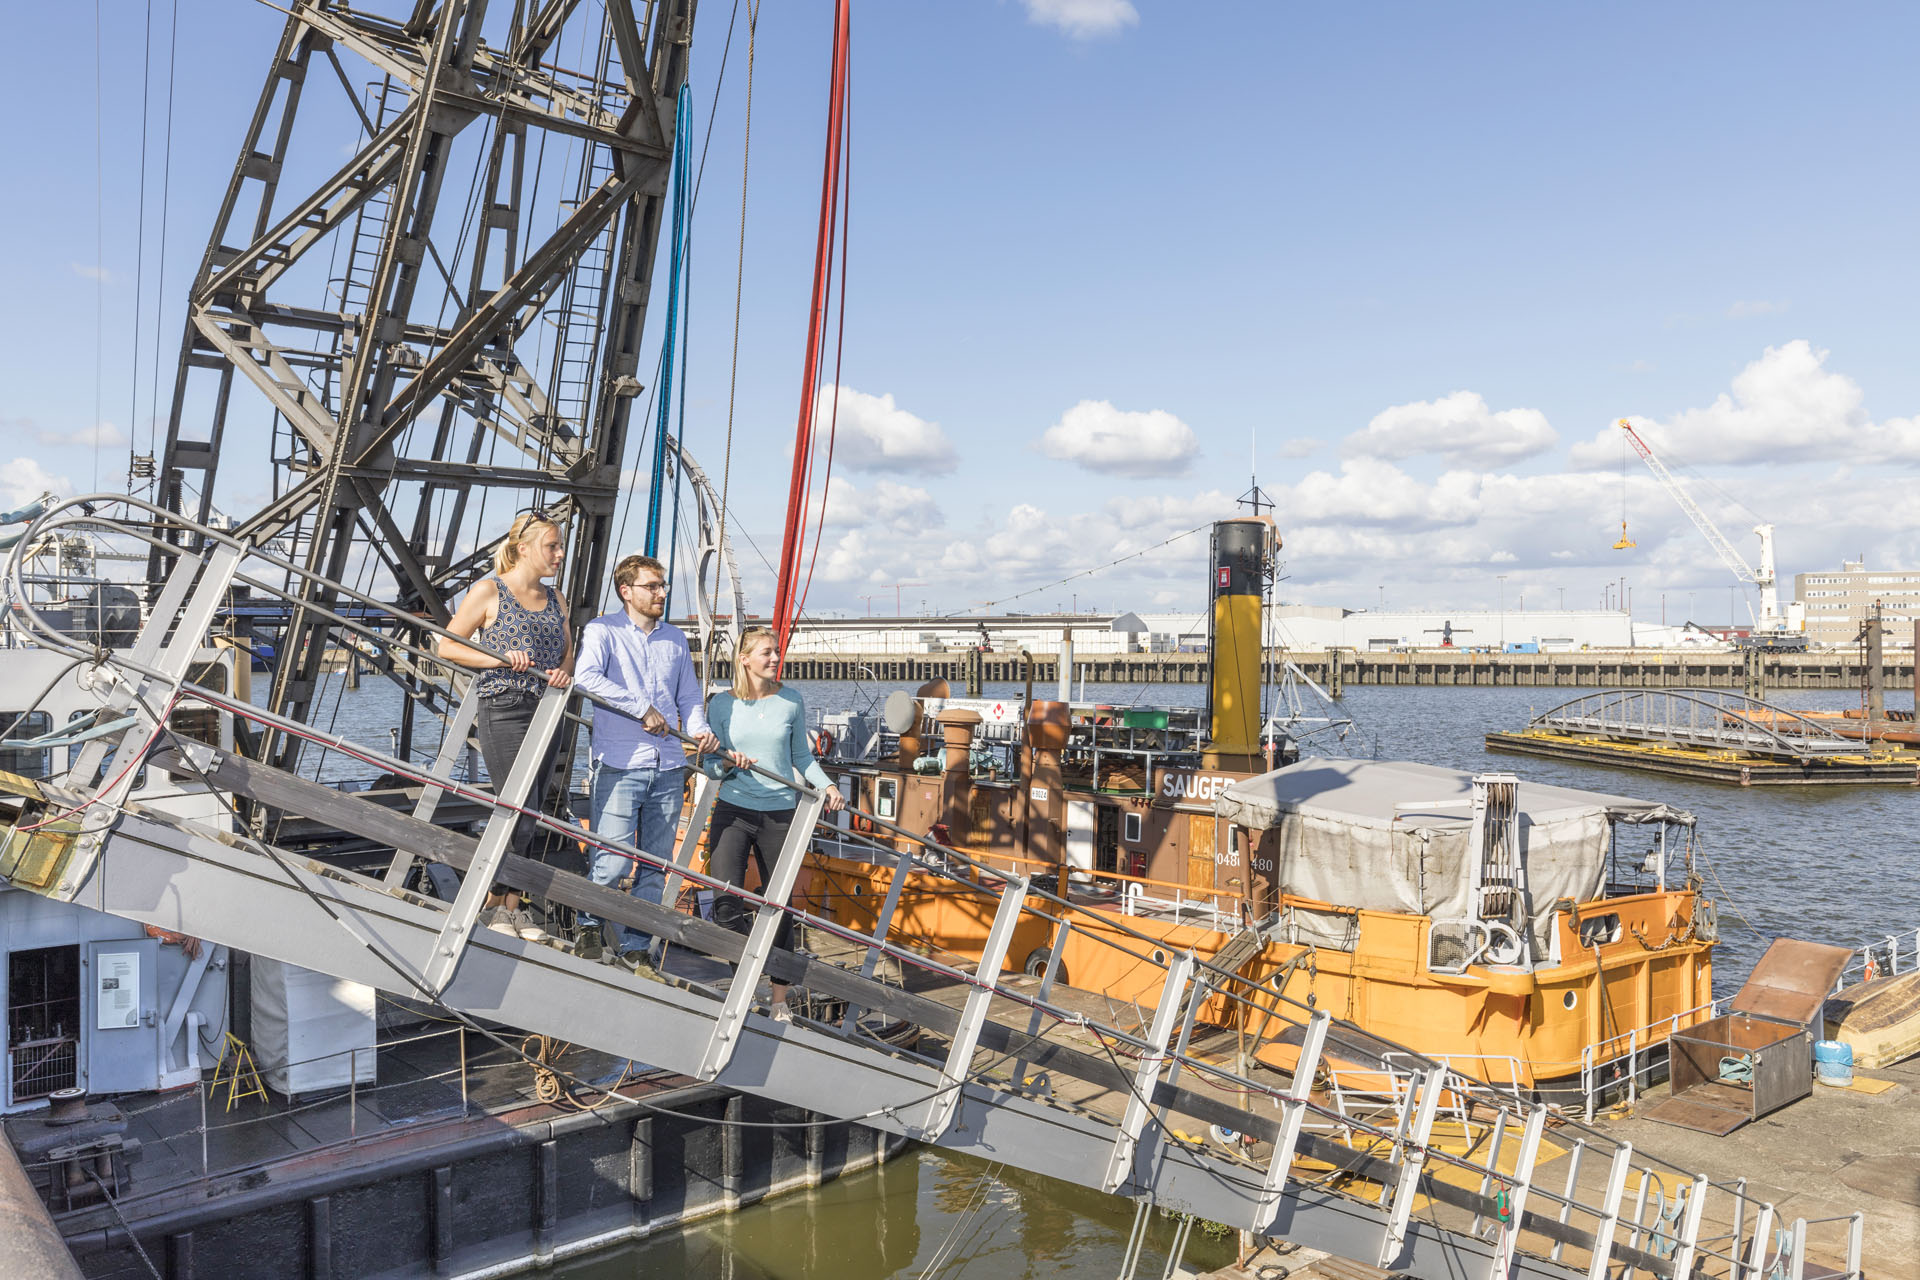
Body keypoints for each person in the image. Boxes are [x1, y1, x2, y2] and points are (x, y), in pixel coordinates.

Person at [570, 553, 720, 976]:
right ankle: (589, 926)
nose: (661, 593)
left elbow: (687, 695)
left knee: (656, 864)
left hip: (669, 764)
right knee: (612, 859)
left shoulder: (674, 638)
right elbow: (586, 677)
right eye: (651, 586)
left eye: (662, 585)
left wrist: (699, 728)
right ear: (626, 591)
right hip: (620, 761)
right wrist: (641, 708)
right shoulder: (603, 631)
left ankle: (636, 946)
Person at [436, 511, 573, 933]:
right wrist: (496, 658)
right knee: (518, 809)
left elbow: (568, 650)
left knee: (534, 812)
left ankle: (510, 905)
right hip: (505, 706)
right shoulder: (489, 591)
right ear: (525, 548)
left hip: (548, 710)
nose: (560, 554)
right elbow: (448, 647)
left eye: (561, 546)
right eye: (552, 546)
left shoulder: (556, 598)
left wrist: (563, 672)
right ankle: (495, 902)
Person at [705, 626, 846, 1020]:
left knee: (779, 906)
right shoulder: (721, 705)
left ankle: (779, 999)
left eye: (776, 651)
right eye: (766, 652)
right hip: (733, 810)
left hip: (780, 813)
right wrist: (727, 761)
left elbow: (801, 757)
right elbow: (710, 765)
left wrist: (827, 785)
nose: (774, 658)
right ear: (744, 659)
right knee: (725, 904)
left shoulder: (791, 701)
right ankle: (745, 986)